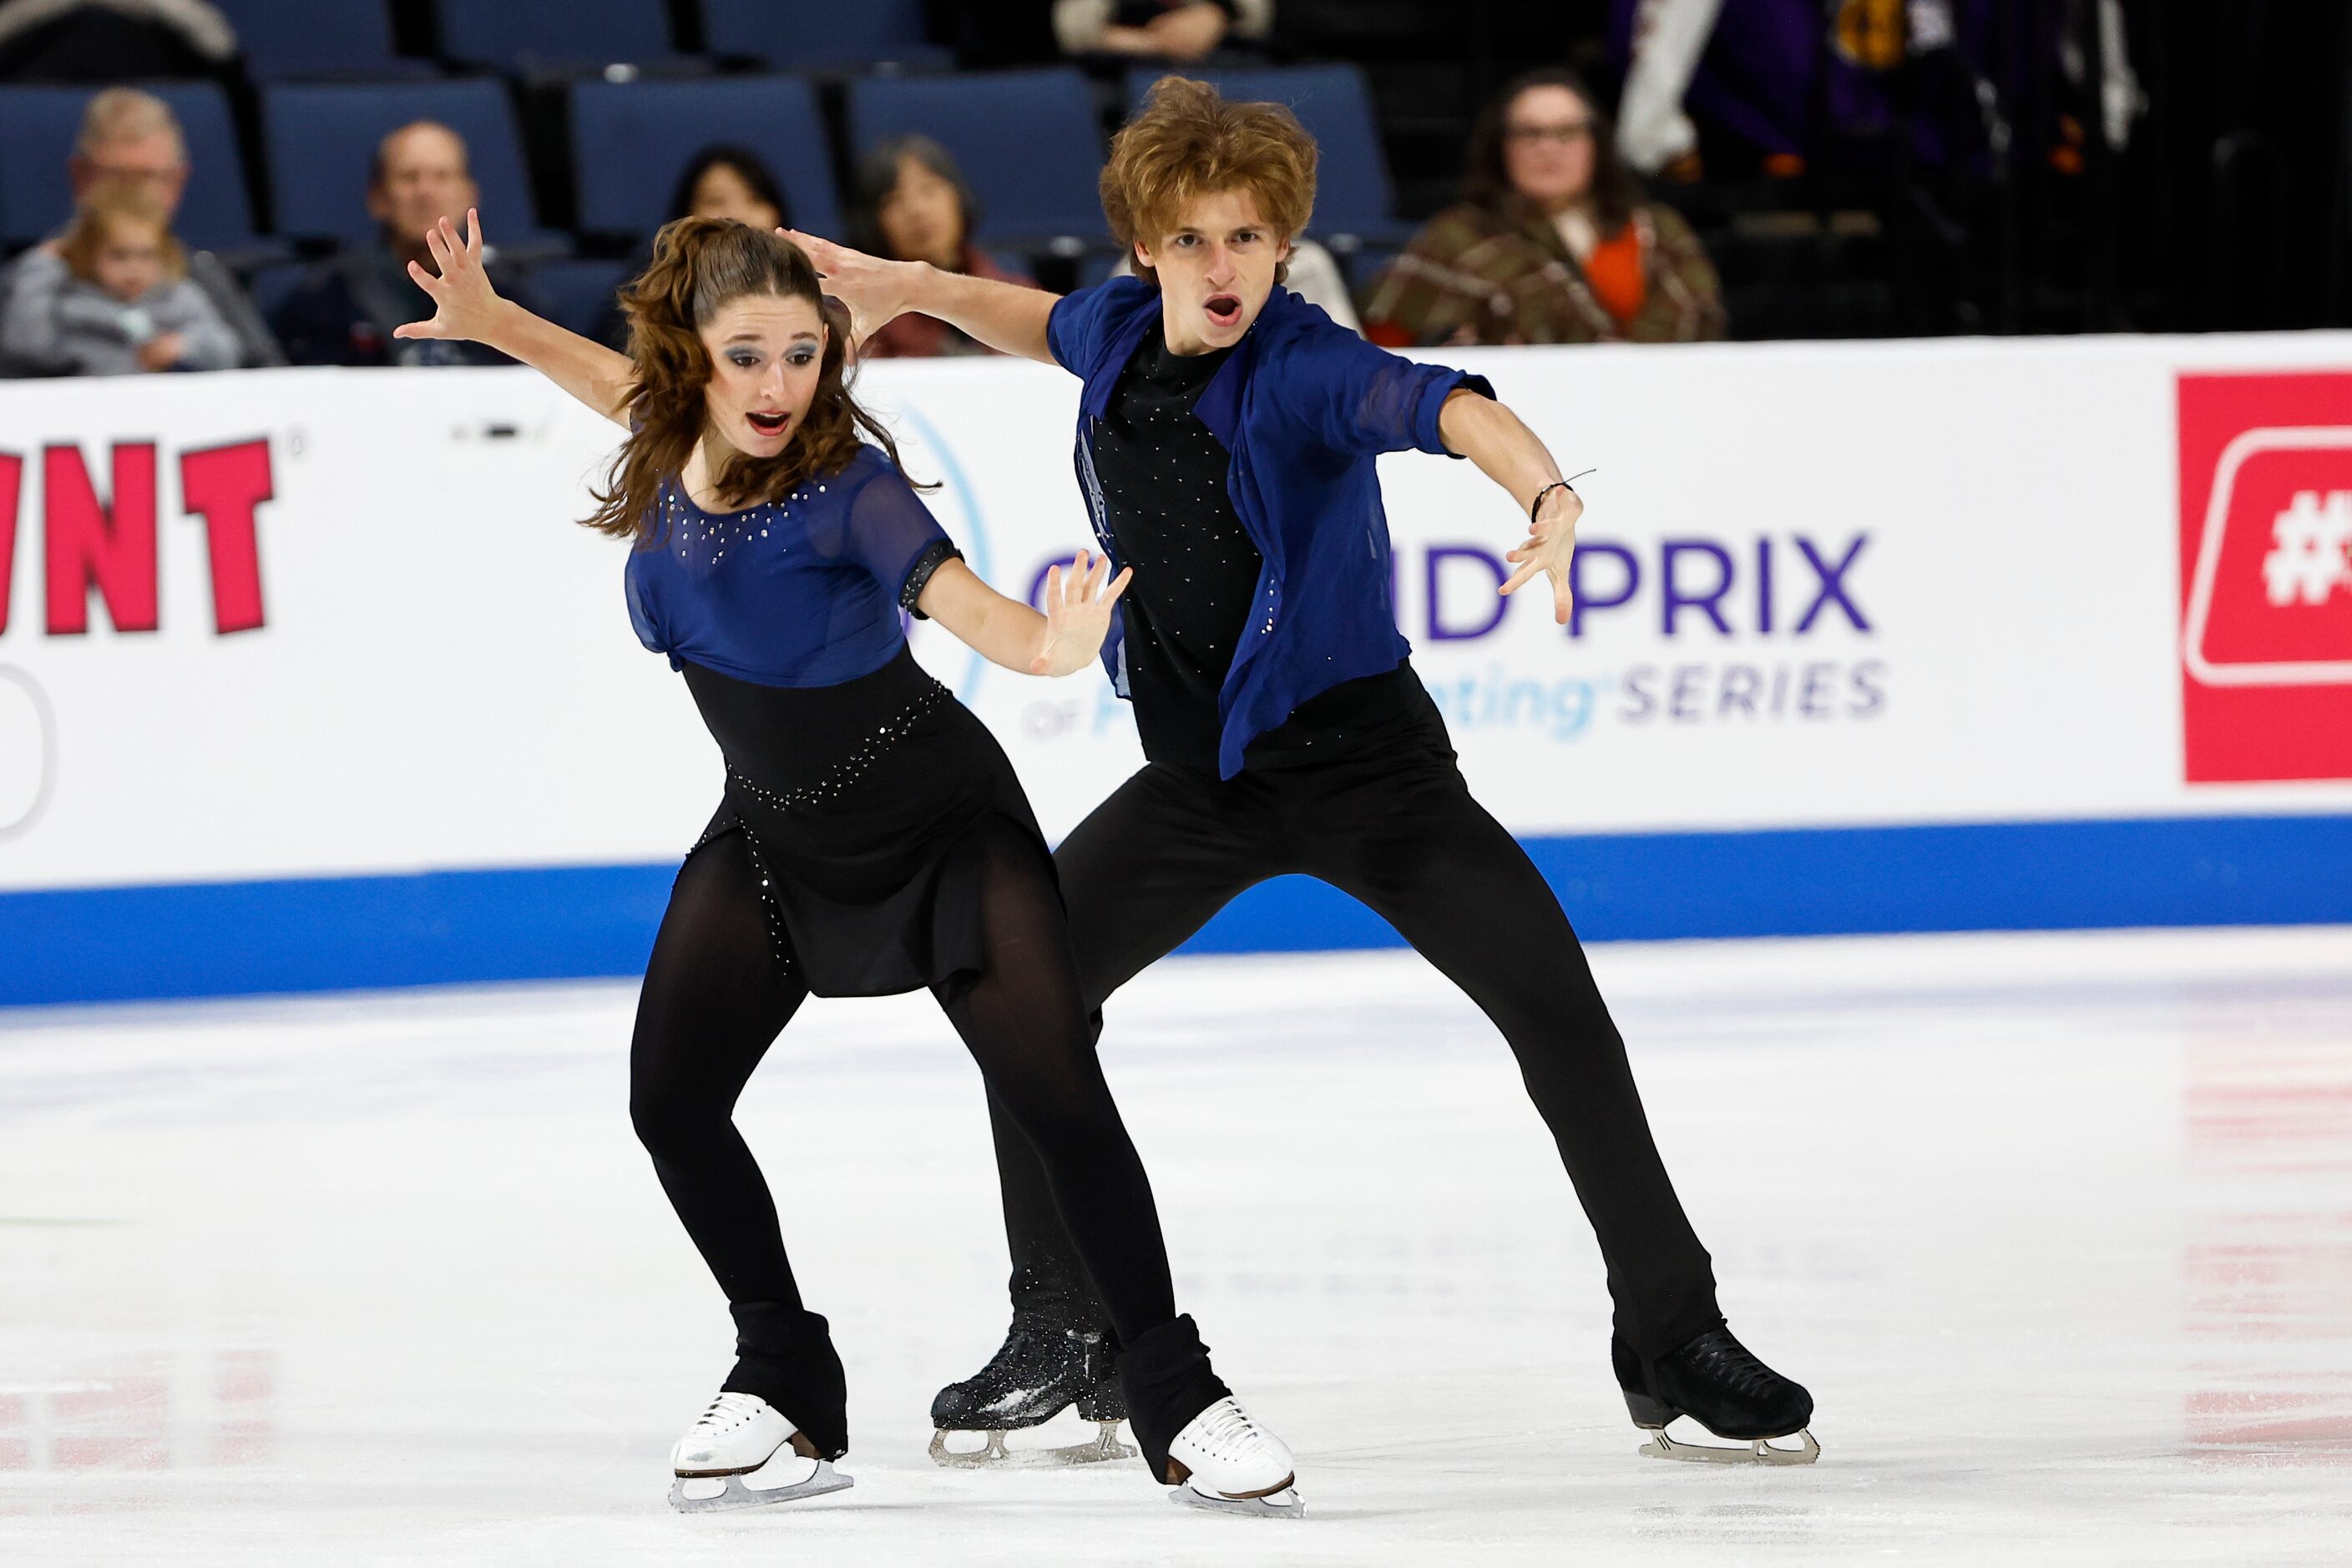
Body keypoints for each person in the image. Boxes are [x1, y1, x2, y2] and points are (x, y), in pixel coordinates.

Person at [792, 73, 1814, 1474]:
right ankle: (1065, 1323)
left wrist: (1549, 493)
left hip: (1371, 772)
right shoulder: (1112, 331)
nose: (1225, 270)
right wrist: (897, 280)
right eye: (1196, 239)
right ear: (1145, 242)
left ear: (1284, 247)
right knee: (1013, 982)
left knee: (1558, 1012)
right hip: (1207, 778)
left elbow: (1443, 403)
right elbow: (1023, 317)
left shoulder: (1305, 364)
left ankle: (1669, 1331)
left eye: (1251, 240)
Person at [392, 207, 1305, 1519]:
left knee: (1054, 1091)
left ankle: (1176, 1389)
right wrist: (494, 323)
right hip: (773, 833)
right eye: (748, 355)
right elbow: (607, 380)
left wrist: (1046, 649)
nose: (778, 386)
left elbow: (970, 607)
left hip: (945, 831)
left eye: (804, 355)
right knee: (671, 1100)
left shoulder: (851, 490)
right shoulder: (663, 438)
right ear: (691, 358)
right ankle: (782, 1372)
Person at [1361, 67, 1725, 346]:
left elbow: (1701, 322)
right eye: (1529, 134)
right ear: (1502, 146)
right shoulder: (1458, 236)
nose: (1548, 149)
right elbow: (1384, 343)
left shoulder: (1657, 229)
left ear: (1594, 144)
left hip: (1663, 405)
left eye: (1566, 132)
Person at [0, 86, 275, 376]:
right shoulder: (30, 282)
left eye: (148, 178)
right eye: (116, 178)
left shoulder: (197, 275)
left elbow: (268, 373)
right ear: (79, 177)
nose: (132, 196)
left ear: (176, 184)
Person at [272, 120, 549, 367]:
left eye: (442, 176)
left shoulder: (514, 296)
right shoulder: (326, 298)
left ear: (470, 195)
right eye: (409, 177)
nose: (425, 192)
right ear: (377, 198)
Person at [0, 179, 236, 375]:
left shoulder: (178, 296)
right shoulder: (72, 305)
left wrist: (183, 346)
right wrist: (42, 266)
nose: (134, 268)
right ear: (89, 255)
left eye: (147, 255)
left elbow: (228, 349)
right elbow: (26, 347)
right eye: (119, 256)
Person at [848, 135, 1034, 360]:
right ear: (873, 223)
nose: (916, 210)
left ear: (959, 197)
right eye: (894, 200)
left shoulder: (1019, 294)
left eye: (928, 190)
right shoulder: (861, 322)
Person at [595, 144, 793, 349]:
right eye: (715, 201)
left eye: (754, 199)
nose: (737, 215)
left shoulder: (807, 283)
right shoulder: (650, 293)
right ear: (686, 215)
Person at [1052, 0, 1271, 63]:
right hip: (1121, 74)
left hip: (1218, 67)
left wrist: (1216, 14)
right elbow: (1071, 27)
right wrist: (1153, 42)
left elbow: (1258, 15)